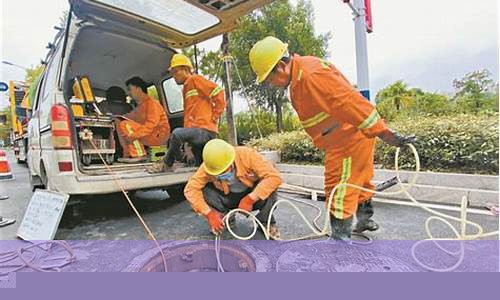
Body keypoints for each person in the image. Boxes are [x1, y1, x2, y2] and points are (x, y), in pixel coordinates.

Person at [249, 36, 416, 240]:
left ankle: (340, 241)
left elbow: (349, 101)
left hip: (347, 140)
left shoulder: (311, 74)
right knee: (359, 181)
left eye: (269, 78)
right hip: (343, 139)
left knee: (339, 190)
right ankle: (364, 220)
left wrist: (383, 132)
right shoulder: (300, 77)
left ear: (281, 66)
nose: (271, 84)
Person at [184, 139, 282, 239]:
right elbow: (190, 189)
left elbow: (274, 177)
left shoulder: (247, 155)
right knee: (205, 191)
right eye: (218, 173)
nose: (221, 175)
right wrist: (209, 214)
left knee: (270, 189)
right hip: (228, 197)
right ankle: (226, 219)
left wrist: (250, 199)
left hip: (252, 195)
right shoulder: (208, 167)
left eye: (224, 170)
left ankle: (266, 222)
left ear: (231, 160)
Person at [147, 54, 226, 173]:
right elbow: (189, 116)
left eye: (175, 72)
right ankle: (183, 159)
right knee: (197, 166)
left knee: (177, 134)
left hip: (205, 131)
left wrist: (214, 117)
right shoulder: (186, 87)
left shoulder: (195, 79)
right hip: (196, 133)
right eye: (172, 73)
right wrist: (187, 146)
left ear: (186, 69)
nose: (173, 76)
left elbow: (219, 92)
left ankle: (166, 163)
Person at [115, 77, 170, 163]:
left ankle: (139, 155)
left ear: (138, 89)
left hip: (158, 135)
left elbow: (151, 125)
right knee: (119, 122)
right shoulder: (140, 107)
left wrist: (134, 136)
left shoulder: (152, 103)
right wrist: (116, 118)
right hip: (149, 134)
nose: (128, 93)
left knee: (125, 125)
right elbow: (127, 117)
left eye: (130, 90)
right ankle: (127, 153)